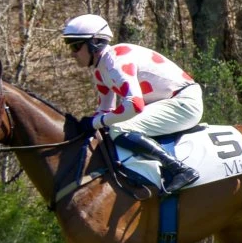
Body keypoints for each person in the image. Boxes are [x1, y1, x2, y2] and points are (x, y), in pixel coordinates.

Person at [62, 14, 202, 193]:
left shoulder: (115, 62)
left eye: (75, 45)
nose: (72, 53)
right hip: (170, 103)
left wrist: (95, 123)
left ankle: (180, 170)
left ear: (95, 43)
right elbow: (106, 109)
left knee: (120, 128)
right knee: (109, 129)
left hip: (184, 103)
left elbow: (134, 105)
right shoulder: (100, 70)